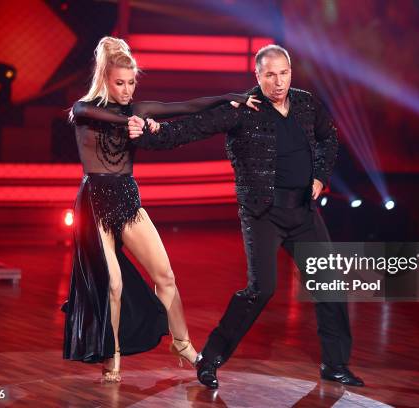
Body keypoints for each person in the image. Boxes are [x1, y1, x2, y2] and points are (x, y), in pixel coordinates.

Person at [130, 44, 364, 388]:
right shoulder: (242, 109)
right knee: (261, 289)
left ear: (290, 74)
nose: (278, 81)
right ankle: (209, 359)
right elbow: (192, 129)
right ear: (257, 75)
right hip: (262, 213)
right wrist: (152, 132)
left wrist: (319, 177)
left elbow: (329, 139)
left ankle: (335, 364)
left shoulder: (305, 103)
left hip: (302, 211)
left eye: (283, 73)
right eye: (270, 75)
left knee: (329, 285)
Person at [62, 36, 259, 383]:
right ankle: (114, 355)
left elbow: (187, 106)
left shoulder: (138, 110)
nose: (126, 90)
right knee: (114, 284)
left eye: (131, 82)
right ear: (106, 79)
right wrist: (131, 124)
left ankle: (181, 343)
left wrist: (228, 98)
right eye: (119, 83)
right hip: (94, 202)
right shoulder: (84, 108)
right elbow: (88, 112)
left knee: (165, 275)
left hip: (127, 198)